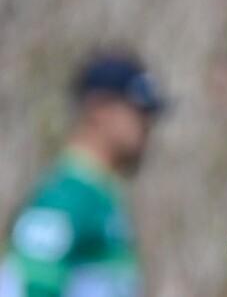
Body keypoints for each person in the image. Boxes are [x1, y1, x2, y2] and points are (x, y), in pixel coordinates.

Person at [0, 50, 166, 297]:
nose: (147, 126)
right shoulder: (66, 198)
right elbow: (29, 288)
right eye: (138, 112)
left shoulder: (102, 195)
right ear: (99, 108)